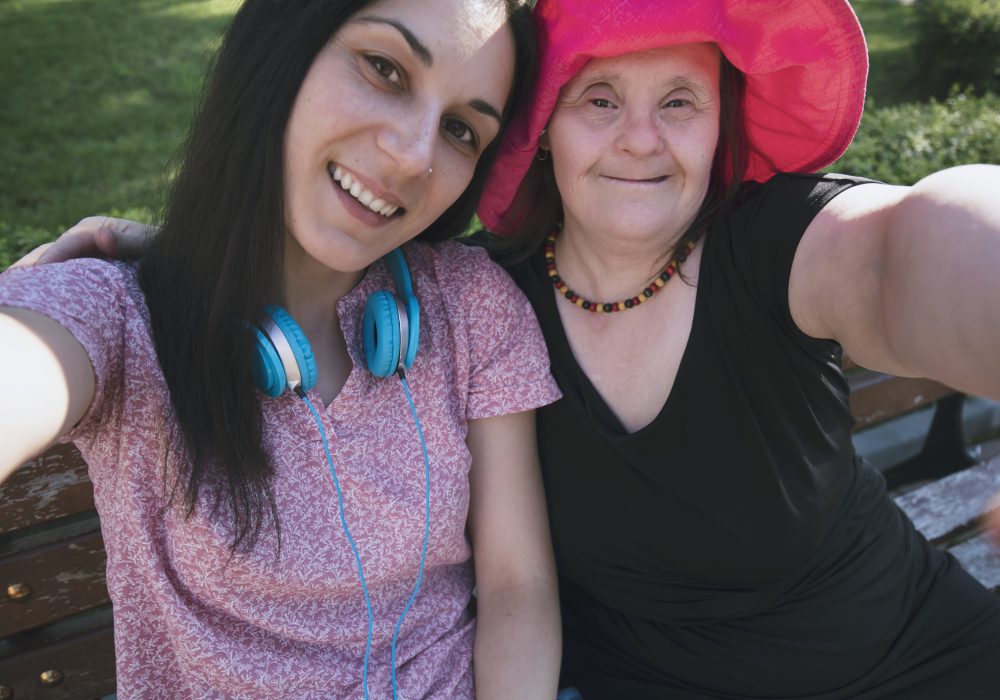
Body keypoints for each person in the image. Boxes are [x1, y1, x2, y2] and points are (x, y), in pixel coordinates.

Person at [16, 0, 1000, 698]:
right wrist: (183, 259)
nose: (641, 140)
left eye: (680, 101)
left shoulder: (761, 247)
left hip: (922, 658)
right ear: (544, 135)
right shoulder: (485, 295)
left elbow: (913, 248)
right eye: (600, 98)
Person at [0, 0, 564, 698]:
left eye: (460, 130)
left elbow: (518, 585)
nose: (415, 156)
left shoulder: (471, 305)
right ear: (280, 48)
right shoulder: (119, 316)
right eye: (384, 68)